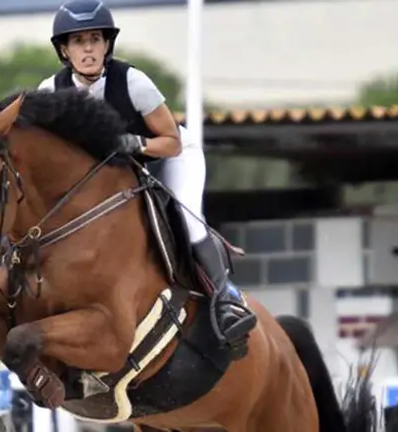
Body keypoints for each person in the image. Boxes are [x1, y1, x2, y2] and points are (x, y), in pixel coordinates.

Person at [37, 0, 257, 360]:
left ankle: (226, 298)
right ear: (65, 49)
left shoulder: (133, 83)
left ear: (107, 44)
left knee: (187, 222)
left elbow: (169, 141)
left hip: (169, 156)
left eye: (95, 39)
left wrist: (137, 143)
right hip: (113, 173)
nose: (88, 48)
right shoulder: (51, 91)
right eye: (79, 41)